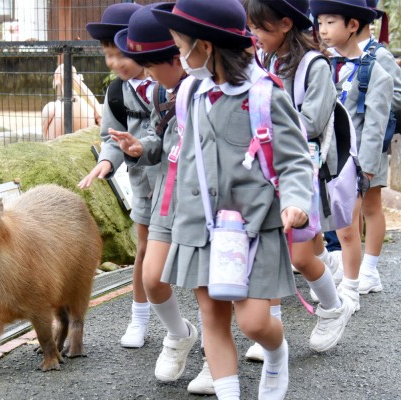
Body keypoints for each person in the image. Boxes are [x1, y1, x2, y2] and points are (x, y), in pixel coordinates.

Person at [152, 0, 314, 398]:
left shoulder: (263, 95)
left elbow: (295, 160)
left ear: (204, 47)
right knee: (212, 314)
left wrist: (295, 201)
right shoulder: (190, 92)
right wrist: (173, 222)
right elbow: (186, 158)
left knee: (255, 322)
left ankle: (277, 354)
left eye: (180, 43)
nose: (178, 54)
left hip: (254, 226)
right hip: (200, 225)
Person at [110, 2, 214, 395]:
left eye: (150, 64)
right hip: (166, 200)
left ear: (178, 56)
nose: (147, 73)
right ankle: (179, 333)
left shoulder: (207, 89)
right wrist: (142, 148)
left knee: (207, 288)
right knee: (153, 278)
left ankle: (214, 355)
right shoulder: (165, 92)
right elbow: (167, 140)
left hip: (204, 202)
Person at [242, 0, 353, 360]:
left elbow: (314, 121)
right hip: (266, 166)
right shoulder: (268, 59)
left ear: (286, 23)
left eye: (260, 28)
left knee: (301, 255)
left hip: (298, 167)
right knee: (272, 249)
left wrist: (267, 130)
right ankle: (270, 332)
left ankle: (334, 308)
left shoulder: (314, 65)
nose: (255, 36)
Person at [80, 2, 159, 349]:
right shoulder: (116, 91)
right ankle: (139, 318)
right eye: (107, 56)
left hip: (178, 180)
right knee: (143, 249)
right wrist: (108, 162)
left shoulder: (168, 81)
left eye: (119, 55)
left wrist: (142, 145)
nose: (113, 64)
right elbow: (110, 137)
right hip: (143, 183)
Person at [310, 0, 393, 312]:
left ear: (353, 25)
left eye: (330, 22)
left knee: (346, 227)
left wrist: (366, 171)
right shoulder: (321, 65)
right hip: (323, 158)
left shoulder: (376, 70)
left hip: (354, 162)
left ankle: (352, 288)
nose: (323, 30)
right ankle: (330, 272)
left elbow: (375, 125)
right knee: (318, 221)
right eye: (320, 23)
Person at [354, 0, 401, 295]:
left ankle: (369, 270)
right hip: (344, 144)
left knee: (371, 205)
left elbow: (396, 96)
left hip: (372, 141)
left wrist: (373, 105)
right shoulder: (333, 57)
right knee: (348, 209)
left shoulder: (379, 54)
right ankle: (352, 265)